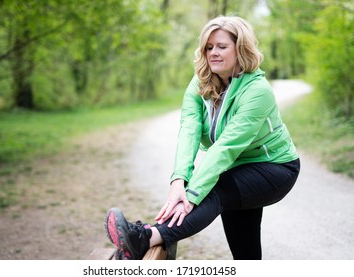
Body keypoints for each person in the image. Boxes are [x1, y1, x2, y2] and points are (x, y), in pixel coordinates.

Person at [104, 15, 300, 260]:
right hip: (235, 167)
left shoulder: (257, 91)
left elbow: (225, 148)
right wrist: (179, 181)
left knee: (212, 190)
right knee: (245, 250)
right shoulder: (201, 82)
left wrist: (192, 193)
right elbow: (189, 130)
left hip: (274, 168)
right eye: (209, 47)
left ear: (240, 49)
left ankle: (145, 238)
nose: (213, 53)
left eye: (221, 46)